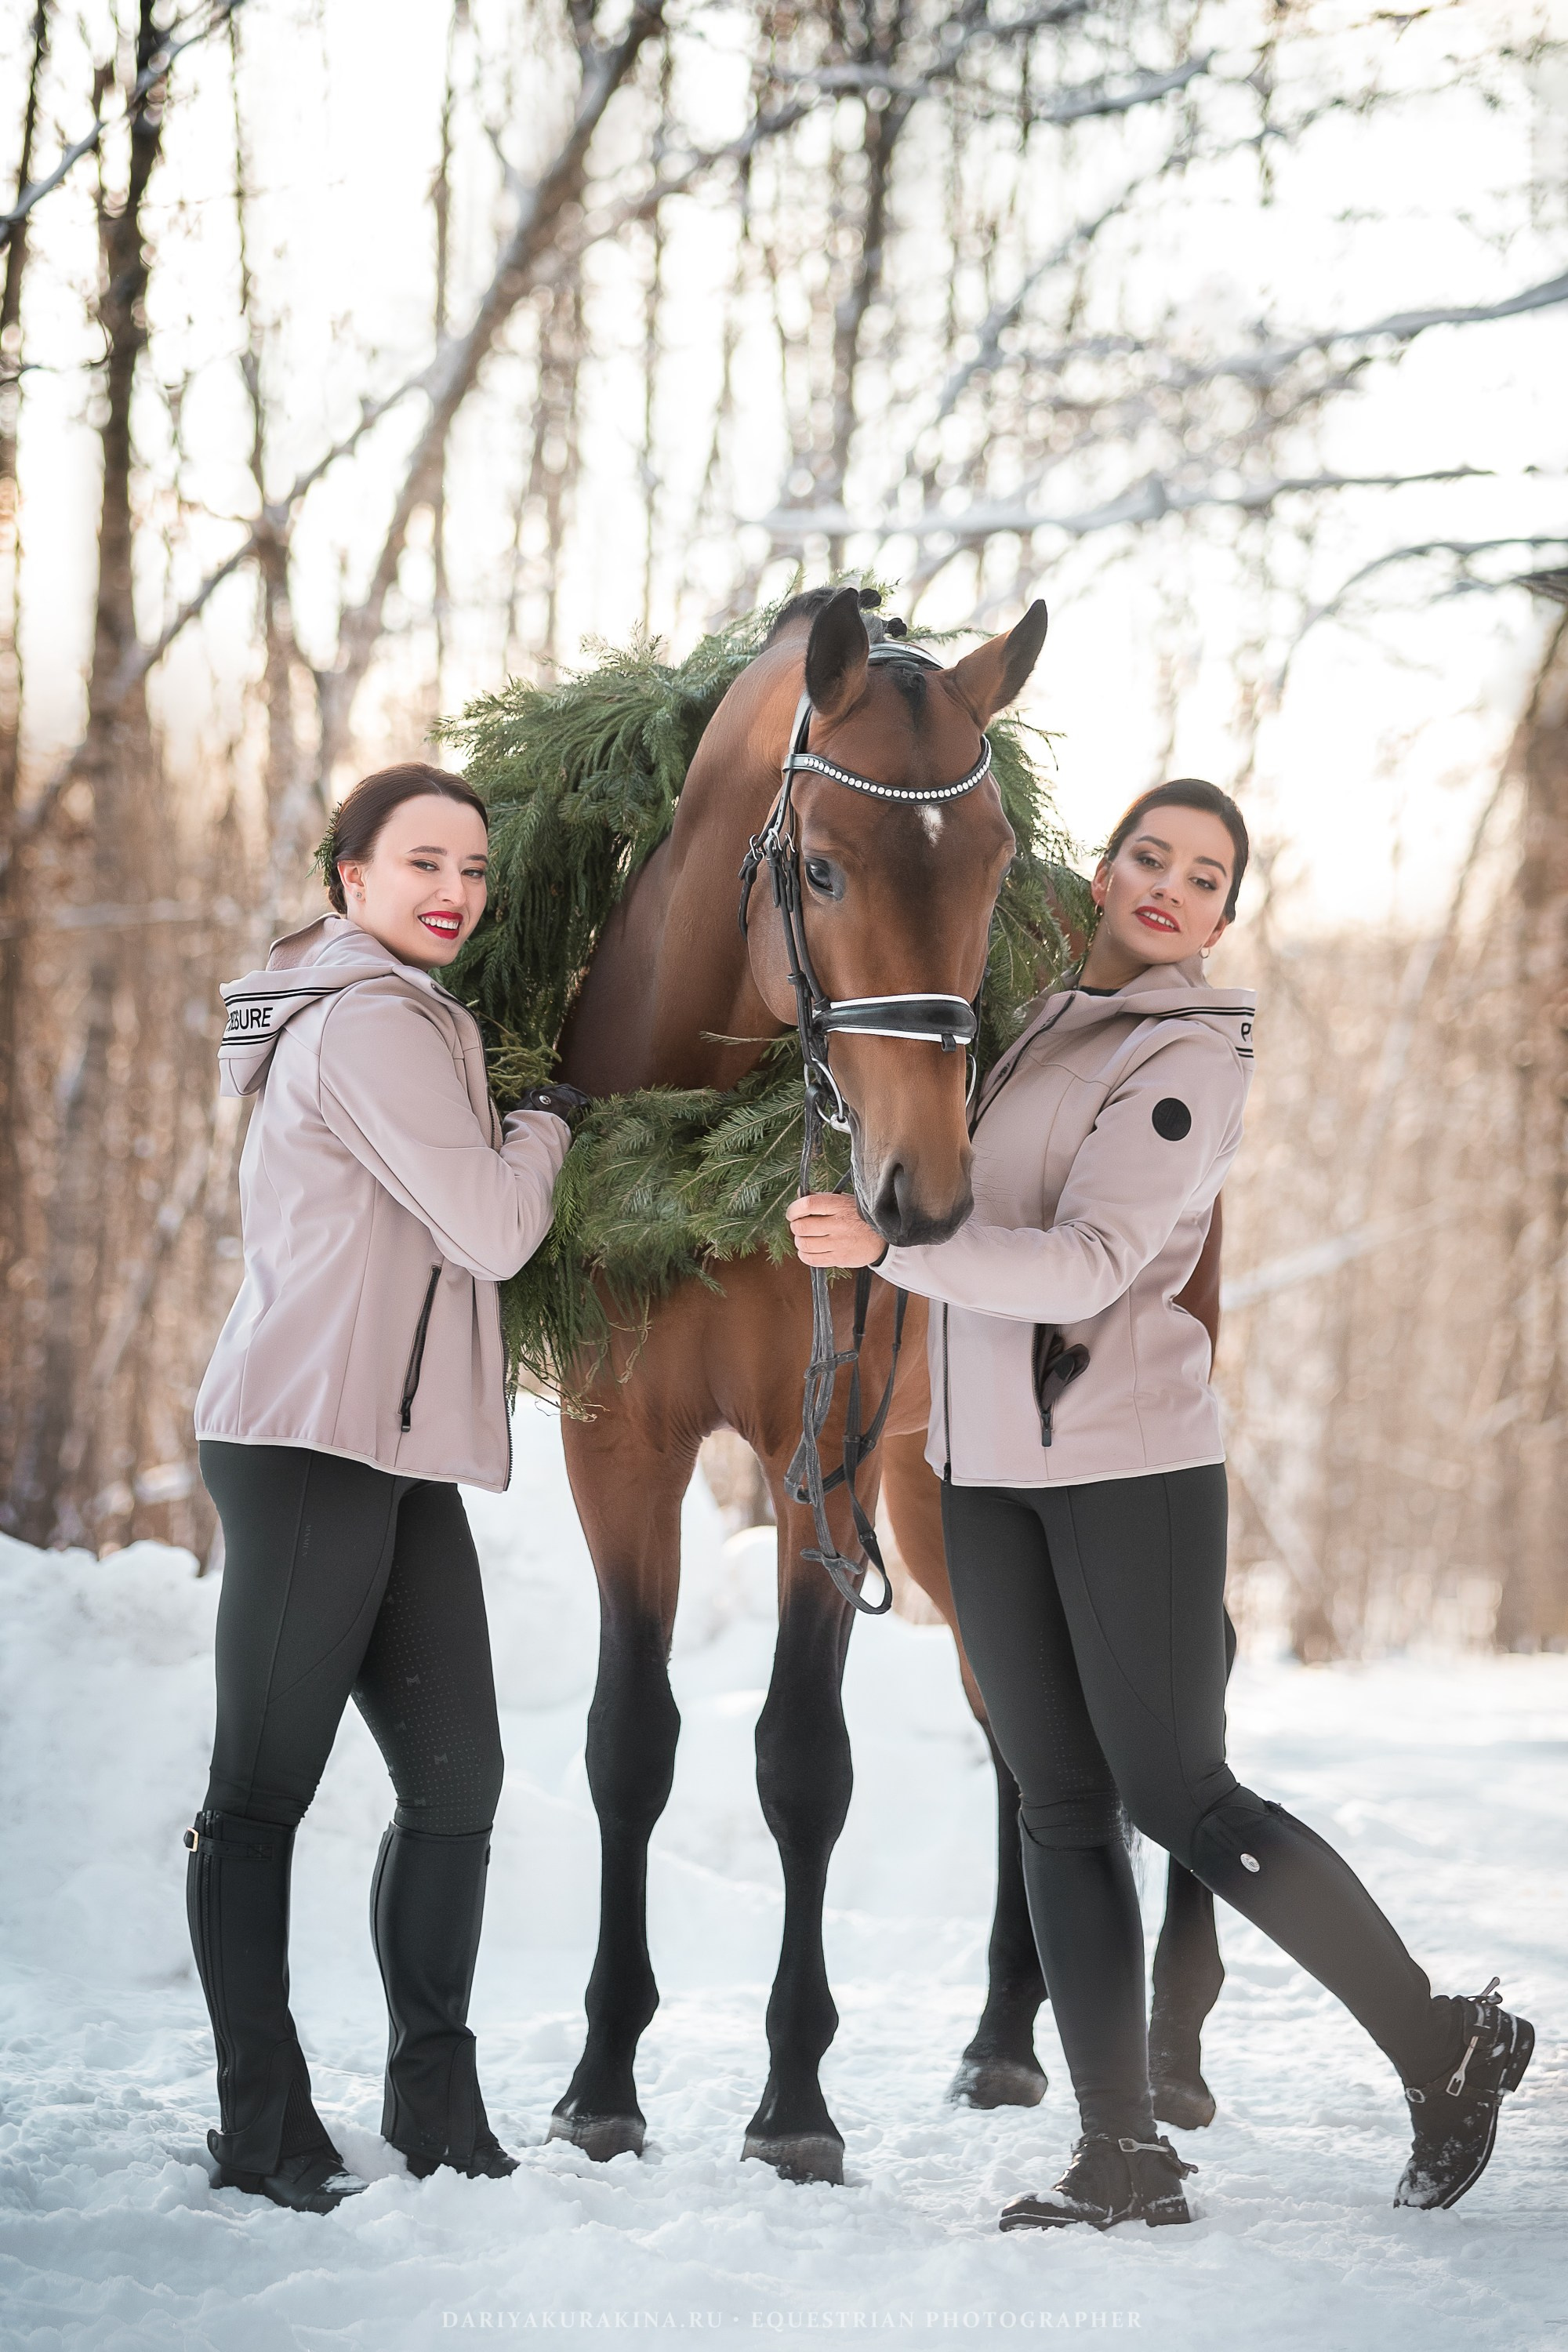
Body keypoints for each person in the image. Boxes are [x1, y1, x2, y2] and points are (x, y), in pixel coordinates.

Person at [788, 779, 1533, 2230]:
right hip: (989, 1474)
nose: (1170, 888)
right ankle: (1121, 2152)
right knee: (1058, 1807)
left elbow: (1088, 1263)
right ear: (1103, 872)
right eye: (1150, 857)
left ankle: (1444, 2042)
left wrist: (889, 1255)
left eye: (1204, 877)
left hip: (1127, 1471)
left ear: (1224, 918)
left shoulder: (1187, 1054)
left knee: (1182, 1799)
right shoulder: (1039, 1028)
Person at [187, 762, 585, 2213]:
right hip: (307, 1444)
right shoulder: (367, 1021)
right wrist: (548, 1123)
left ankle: (435, 2106)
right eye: (424, 862)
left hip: (396, 1450)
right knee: (259, 1795)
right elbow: (490, 1228)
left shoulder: (407, 1013)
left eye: (474, 869)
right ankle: (262, 2127)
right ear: (349, 878)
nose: (455, 892)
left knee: (457, 1781)